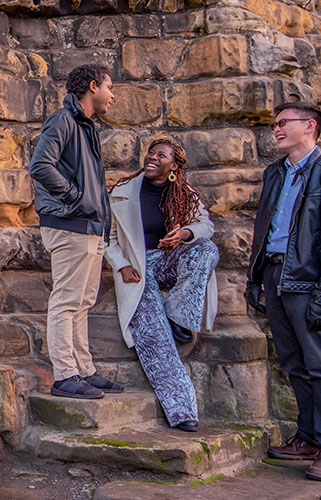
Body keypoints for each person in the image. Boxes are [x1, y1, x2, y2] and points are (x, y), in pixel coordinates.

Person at [246, 102, 321, 481]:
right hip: (276, 277)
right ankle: (309, 438)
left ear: (309, 126)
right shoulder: (275, 173)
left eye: (283, 123)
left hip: (309, 283)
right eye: (274, 124)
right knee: (294, 363)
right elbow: (266, 228)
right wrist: (254, 279)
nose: (275, 129)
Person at [104, 136, 219, 432]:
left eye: (161, 154)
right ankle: (182, 410)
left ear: (174, 166)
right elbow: (109, 240)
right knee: (152, 331)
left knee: (207, 249)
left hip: (169, 261)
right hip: (138, 267)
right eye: (151, 152)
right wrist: (123, 265)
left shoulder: (185, 192)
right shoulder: (123, 191)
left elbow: (206, 226)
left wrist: (183, 235)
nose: (153, 157)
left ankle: (180, 316)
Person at [29, 64, 123, 399]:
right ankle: (64, 375)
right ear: (93, 86)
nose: (112, 95)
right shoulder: (64, 120)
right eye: (110, 88)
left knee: (83, 302)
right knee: (67, 301)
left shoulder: (85, 127)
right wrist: (75, 197)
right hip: (70, 225)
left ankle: (84, 369)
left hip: (90, 227)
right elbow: (40, 164)